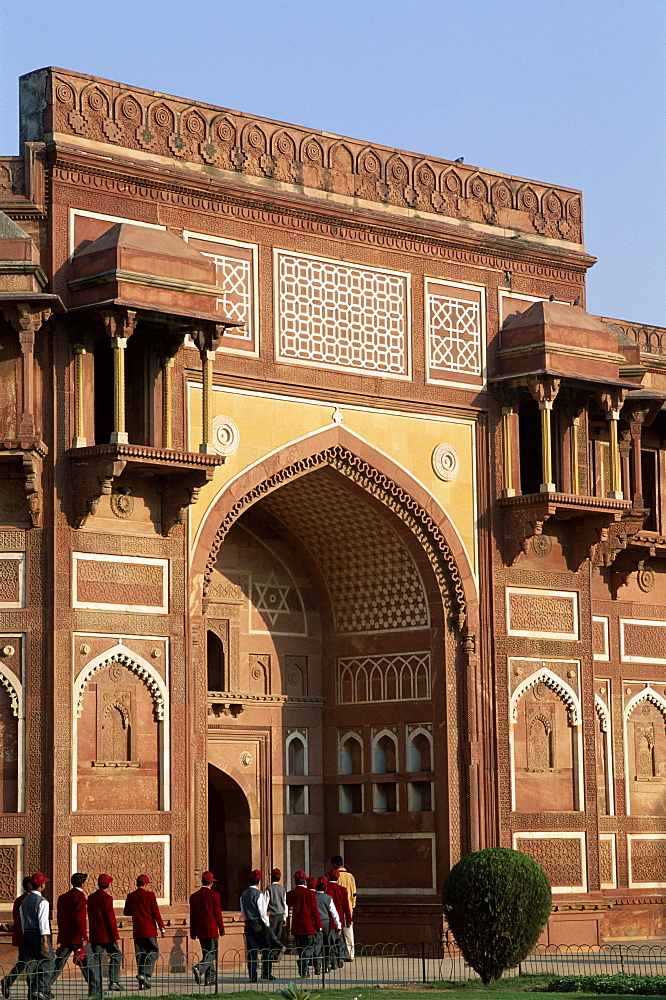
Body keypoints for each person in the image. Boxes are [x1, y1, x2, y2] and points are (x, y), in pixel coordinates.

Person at [50, 873, 96, 995]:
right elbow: (80, 919)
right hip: (77, 937)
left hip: (66, 936)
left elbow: (60, 918)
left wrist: (60, 937)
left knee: (58, 965)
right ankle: (94, 989)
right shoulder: (80, 897)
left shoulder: (63, 897)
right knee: (87, 965)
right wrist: (84, 937)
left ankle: (44, 987)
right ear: (83, 884)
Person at [123, 875, 165, 990]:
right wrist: (162, 928)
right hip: (149, 930)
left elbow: (126, 912)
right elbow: (156, 913)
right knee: (153, 952)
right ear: (146, 884)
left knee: (140, 955)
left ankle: (142, 982)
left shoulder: (131, 896)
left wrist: (137, 911)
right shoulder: (150, 895)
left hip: (137, 931)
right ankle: (145, 974)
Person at [19, 872, 54, 1000]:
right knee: (48, 960)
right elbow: (43, 922)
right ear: (41, 885)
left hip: (27, 933)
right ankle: (38, 988)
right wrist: (45, 941)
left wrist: (25, 935)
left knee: (32, 963)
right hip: (38, 934)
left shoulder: (24, 901)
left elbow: (23, 920)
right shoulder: (42, 901)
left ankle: (33, 990)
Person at [87, 874, 123, 993]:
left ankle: (97, 987)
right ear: (108, 885)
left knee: (96, 961)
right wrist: (115, 936)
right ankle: (114, 981)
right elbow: (110, 918)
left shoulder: (91, 898)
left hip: (95, 934)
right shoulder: (107, 898)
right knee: (116, 955)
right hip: (107, 934)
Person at [189, 871, 225, 986]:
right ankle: (199, 968)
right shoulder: (214, 895)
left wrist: (193, 931)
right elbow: (217, 914)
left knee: (207, 954)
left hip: (200, 929)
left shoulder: (194, 896)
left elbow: (192, 915)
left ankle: (210, 978)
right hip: (212, 929)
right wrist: (221, 929)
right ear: (211, 883)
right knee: (213, 953)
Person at [285, 870, 321, 979]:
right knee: (310, 946)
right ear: (304, 881)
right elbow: (315, 911)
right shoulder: (310, 894)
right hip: (308, 924)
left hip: (296, 925)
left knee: (300, 948)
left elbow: (288, 904)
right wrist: (318, 925)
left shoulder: (291, 894)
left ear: (295, 881)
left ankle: (304, 971)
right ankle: (303, 962)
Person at [1, 876, 33, 998]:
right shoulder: (31, 900)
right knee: (31, 963)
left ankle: (9, 981)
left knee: (25, 962)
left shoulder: (19, 900)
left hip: (21, 935)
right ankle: (32, 991)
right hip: (29, 936)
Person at [239, 870, 271, 982]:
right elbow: (262, 912)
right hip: (258, 923)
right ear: (259, 881)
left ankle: (252, 975)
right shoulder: (258, 894)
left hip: (248, 923)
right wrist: (267, 924)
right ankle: (266, 973)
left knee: (252, 950)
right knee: (266, 948)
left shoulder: (244, 894)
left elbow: (243, 912)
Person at [313, 877, 341, 974]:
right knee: (327, 944)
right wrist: (339, 925)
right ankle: (326, 966)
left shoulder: (313, 897)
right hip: (326, 922)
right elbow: (334, 913)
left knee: (317, 944)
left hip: (316, 923)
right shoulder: (328, 898)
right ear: (325, 888)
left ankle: (317, 964)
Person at [331, 856, 357, 960]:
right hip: (348, 907)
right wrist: (352, 906)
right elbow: (354, 893)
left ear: (335, 865)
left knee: (336, 931)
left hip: (337, 907)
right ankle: (350, 954)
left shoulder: (336, 876)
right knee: (348, 931)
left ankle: (337, 954)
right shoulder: (350, 876)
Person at [325, 870, 352, 962]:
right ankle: (340, 957)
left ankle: (333, 959)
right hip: (340, 919)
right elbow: (347, 907)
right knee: (339, 940)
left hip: (328, 919)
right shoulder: (343, 889)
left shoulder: (326, 889)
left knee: (330, 941)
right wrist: (349, 920)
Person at [264, 869, 287, 944]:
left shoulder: (269, 888)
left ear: (272, 877)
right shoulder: (282, 889)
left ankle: (274, 950)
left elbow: (265, 902)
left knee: (271, 933)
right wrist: (284, 917)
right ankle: (277, 952)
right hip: (280, 913)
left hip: (272, 914)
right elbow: (284, 903)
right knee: (278, 934)